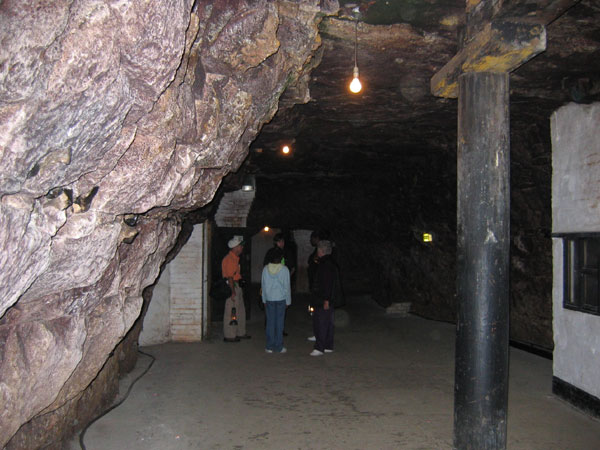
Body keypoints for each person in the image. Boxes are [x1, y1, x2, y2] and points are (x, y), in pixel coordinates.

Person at [309, 239, 341, 356]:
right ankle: (328, 345)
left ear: (321, 251)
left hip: (322, 298)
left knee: (321, 322)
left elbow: (327, 283)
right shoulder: (330, 262)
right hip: (327, 298)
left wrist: (326, 299)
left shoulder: (325, 264)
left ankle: (319, 347)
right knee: (328, 322)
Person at [261, 247, 291, 353]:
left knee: (270, 322)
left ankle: (269, 346)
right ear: (281, 258)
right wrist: (288, 301)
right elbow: (287, 287)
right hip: (281, 299)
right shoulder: (284, 269)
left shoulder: (265, 269)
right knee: (279, 323)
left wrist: (264, 299)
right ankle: (278, 346)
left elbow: (263, 286)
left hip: (269, 299)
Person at [222, 235, 251, 342]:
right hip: (232, 286)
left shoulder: (235, 259)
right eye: (240, 246)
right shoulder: (229, 259)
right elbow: (229, 277)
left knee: (240, 311)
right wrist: (233, 291)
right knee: (231, 312)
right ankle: (229, 335)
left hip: (236, 285)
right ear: (235, 247)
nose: (242, 248)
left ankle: (240, 332)